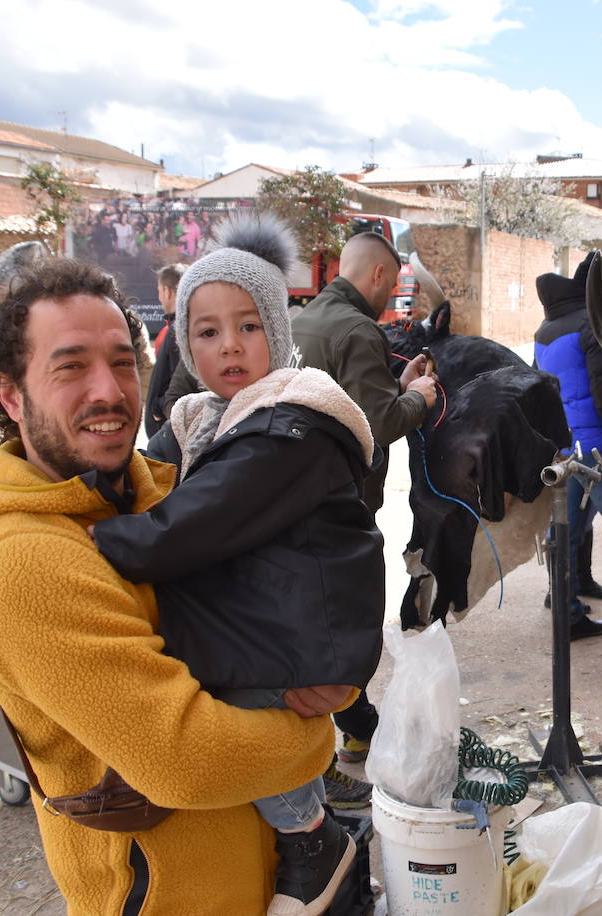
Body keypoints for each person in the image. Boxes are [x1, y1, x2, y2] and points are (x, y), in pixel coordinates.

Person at [0, 256, 345, 915]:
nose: (108, 390)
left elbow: (309, 591)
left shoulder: (165, 492)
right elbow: (187, 760)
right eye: (71, 366)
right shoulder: (24, 564)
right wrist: (318, 734)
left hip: (262, 879)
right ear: (12, 394)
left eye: (121, 361)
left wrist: (336, 665)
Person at [92, 213, 380, 915]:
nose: (230, 346)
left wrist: (83, 545)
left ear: (278, 334)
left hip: (300, 631)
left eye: (249, 327)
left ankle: (312, 838)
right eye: (208, 331)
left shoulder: (287, 425)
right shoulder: (207, 413)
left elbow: (179, 530)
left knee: (238, 705)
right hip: (273, 611)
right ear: (185, 343)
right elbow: (149, 470)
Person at [291, 229, 438, 801]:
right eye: (394, 284)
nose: (391, 296)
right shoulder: (357, 330)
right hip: (339, 512)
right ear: (379, 276)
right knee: (342, 637)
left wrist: (394, 386)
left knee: (315, 631)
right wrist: (420, 397)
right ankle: (327, 758)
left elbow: (356, 404)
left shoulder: (303, 321)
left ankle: (354, 731)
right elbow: (379, 427)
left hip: (294, 501)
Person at [534, 250, 602, 649]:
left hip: (566, 453)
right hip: (600, 450)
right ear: (599, 290)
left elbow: (541, 395)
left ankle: (566, 612)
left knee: (565, 534)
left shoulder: (545, 330)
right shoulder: (592, 326)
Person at [144, 263, 186, 436]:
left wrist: (159, 407)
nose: (160, 297)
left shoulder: (177, 332)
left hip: (169, 431)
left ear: (167, 291)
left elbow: (180, 384)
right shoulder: (171, 329)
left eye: (160, 291)